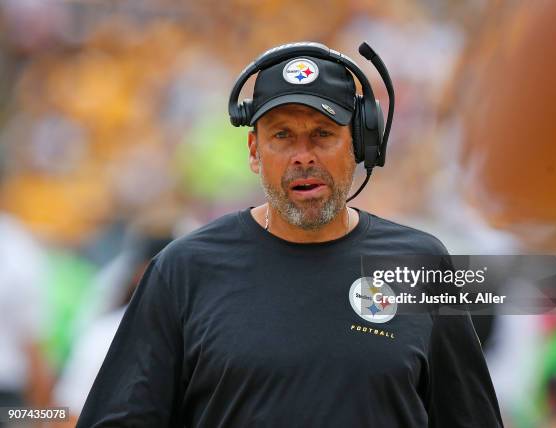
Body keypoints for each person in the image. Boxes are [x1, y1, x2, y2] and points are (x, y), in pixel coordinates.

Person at [77, 42, 503, 427]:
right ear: (254, 151)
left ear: (359, 144)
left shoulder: (421, 264)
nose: (303, 156)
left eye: (322, 134)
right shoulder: (184, 269)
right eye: (282, 135)